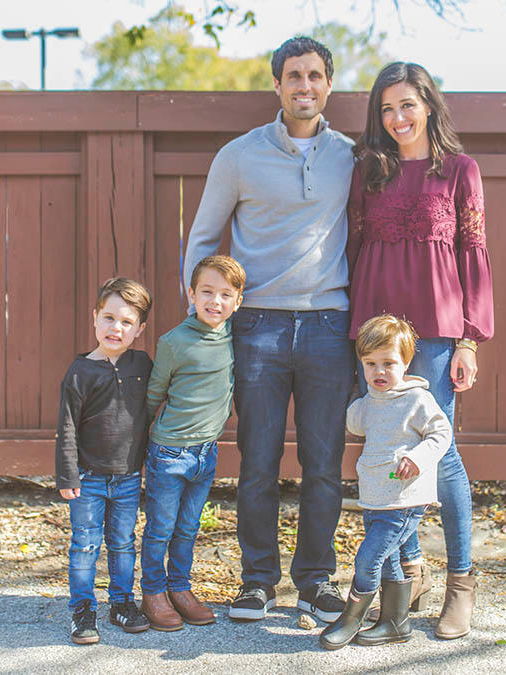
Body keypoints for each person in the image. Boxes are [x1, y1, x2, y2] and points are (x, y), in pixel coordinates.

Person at [182, 36, 357, 623]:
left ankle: (315, 581)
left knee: (324, 463)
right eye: (293, 76)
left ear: (328, 84)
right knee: (257, 461)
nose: (304, 85)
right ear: (277, 86)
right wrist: (202, 319)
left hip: (330, 326)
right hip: (256, 326)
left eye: (314, 75)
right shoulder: (239, 155)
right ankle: (257, 582)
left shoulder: (351, 157)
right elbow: (205, 238)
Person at [346, 61, 495, 640]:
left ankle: (461, 580)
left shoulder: (460, 170)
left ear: (429, 104)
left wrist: (468, 339)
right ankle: (411, 571)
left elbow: (473, 254)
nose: (398, 117)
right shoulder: (370, 170)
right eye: (386, 108)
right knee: (384, 444)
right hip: (374, 332)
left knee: (441, 452)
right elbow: (354, 246)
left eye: (407, 104)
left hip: (435, 329)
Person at [320, 315, 451, 650]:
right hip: (375, 495)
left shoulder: (417, 399)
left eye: (389, 363)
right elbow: (356, 424)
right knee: (390, 557)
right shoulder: (370, 401)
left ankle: (351, 617)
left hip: (404, 497)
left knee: (368, 558)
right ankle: (395, 622)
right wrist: (349, 392)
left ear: (406, 362)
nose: (379, 372)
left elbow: (441, 434)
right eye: (370, 364)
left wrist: (418, 458)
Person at [139, 255, 245, 631]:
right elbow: (154, 394)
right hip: (169, 451)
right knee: (161, 527)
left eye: (225, 294)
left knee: (188, 527)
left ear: (238, 302)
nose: (215, 301)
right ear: (191, 294)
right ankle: (153, 591)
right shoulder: (174, 342)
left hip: (206, 454)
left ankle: (180, 588)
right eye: (207, 292)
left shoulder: (235, 338)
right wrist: (138, 447)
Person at [54, 277, 154, 645]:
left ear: (139, 329)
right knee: (85, 543)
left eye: (127, 322)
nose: (116, 328)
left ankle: (122, 603)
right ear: (94, 318)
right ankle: (83, 610)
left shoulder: (142, 364)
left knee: (124, 542)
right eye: (109, 318)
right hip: (88, 476)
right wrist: (67, 476)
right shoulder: (80, 372)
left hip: (128, 475)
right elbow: (66, 428)